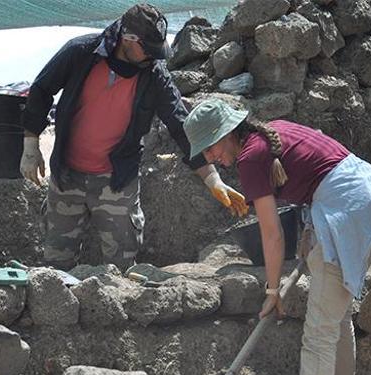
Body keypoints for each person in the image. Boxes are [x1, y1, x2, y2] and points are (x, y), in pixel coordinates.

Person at [183, 99, 371, 375]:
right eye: (204, 153)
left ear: (229, 132)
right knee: (336, 311)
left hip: (348, 208)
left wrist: (273, 290)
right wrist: (310, 231)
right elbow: (315, 176)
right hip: (369, 195)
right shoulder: (272, 131)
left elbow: (271, 234)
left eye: (211, 146)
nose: (211, 158)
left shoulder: (251, 157)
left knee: (319, 327)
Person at [20, 3, 247, 272]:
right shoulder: (81, 52)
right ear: (127, 39)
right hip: (66, 175)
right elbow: (41, 89)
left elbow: (179, 125)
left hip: (117, 181)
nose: (153, 57)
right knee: (56, 266)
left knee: (122, 269)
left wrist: (212, 179)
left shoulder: (154, 74)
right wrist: (31, 145)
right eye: (147, 51)